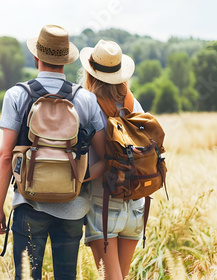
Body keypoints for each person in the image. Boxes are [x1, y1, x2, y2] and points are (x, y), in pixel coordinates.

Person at [0, 25, 106, 280]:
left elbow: (5, 156)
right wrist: (76, 178)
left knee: (26, 276)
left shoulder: (17, 95)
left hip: (28, 204)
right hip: (73, 208)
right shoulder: (86, 99)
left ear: (36, 58)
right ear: (66, 61)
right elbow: (104, 156)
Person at [79, 39, 145, 280]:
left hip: (104, 203)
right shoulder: (132, 102)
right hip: (136, 203)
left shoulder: (87, 103)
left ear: (90, 73)